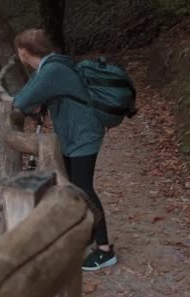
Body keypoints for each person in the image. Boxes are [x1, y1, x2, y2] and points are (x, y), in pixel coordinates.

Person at [11, 28, 117, 271]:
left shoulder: (52, 70)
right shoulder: (51, 65)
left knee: (84, 189)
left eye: (19, 51)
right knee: (70, 184)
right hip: (74, 134)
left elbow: (22, 99)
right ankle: (82, 233)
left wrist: (23, 105)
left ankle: (104, 250)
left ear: (24, 51)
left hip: (83, 135)